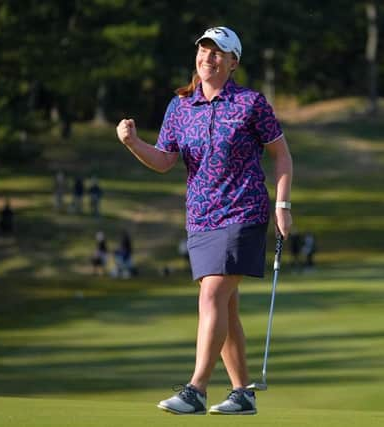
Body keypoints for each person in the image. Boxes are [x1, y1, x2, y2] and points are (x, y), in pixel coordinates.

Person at [117, 26, 293, 416]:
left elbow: (281, 155)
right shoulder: (180, 107)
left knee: (212, 294)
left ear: (233, 63)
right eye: (203, 50)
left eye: (218, 53)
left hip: (243, 210)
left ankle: (195, 389)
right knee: (226, 308)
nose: (208, 58)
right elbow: (164, 159)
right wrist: (133, 143)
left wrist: (282, 205)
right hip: (200, 217)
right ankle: (242, 393)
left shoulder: (251, 103)